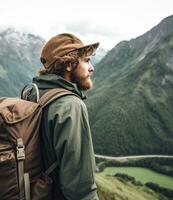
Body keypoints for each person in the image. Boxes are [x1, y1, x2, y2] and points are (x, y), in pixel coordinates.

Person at [26, 33, 99, 200]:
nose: (92, 67)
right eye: (87, 60)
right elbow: (80, 189)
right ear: (69, 64)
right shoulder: (70, 105)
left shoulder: (35, 93)